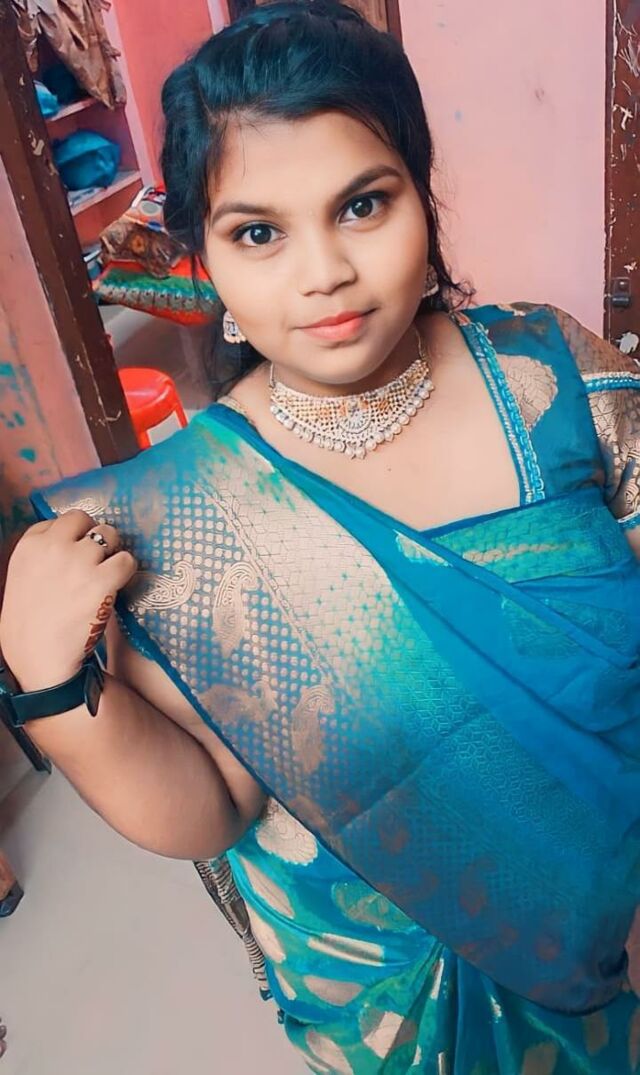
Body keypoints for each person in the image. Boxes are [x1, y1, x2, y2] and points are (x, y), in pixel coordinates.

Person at [2, 2, 640, 1071]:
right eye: (258, 232)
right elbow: (214, 803)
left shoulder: (552, 377)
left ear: (422, 198)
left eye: (362, 204)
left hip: (613, 923)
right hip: (393, 997)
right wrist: (54, 693)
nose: (324, 270)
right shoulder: (188, 522)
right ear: (204, 261)